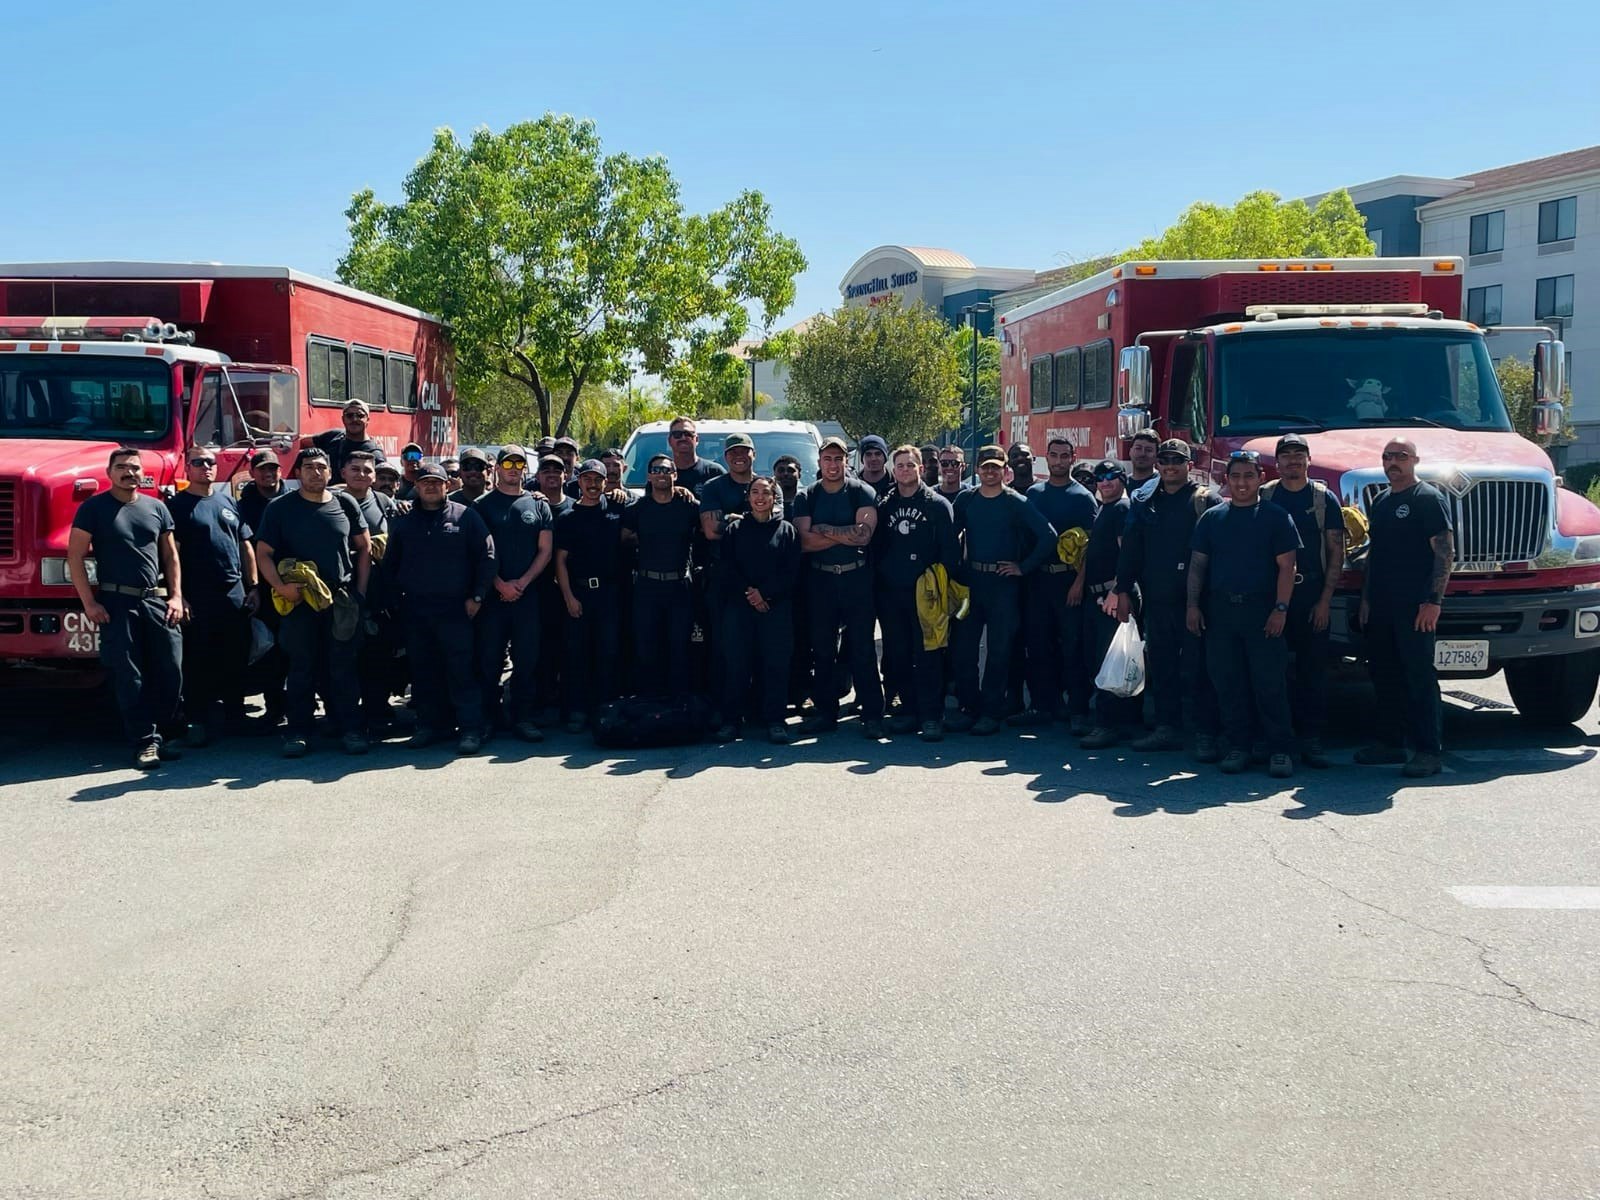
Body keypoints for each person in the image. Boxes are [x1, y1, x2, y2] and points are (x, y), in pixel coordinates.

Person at [67, 447, 185, 769]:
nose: (128, 473)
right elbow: (75, 556)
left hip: (154, 600)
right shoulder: (93, 509)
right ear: (110, 473)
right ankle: (145, 742)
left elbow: (171, 557)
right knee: (129, 676)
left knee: (170, 669)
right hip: (115, 603)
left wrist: (175, 596)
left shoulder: (157, 508)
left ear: (141, 473)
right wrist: (89, 603)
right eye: (121, 467)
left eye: (134, 468)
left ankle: (166, 733)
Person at [1186, 450, 1301, 778]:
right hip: (1221, 612)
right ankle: (1239, 747)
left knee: (1269, 683)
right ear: (1227, 479)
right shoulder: (1212, 518)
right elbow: (1198, 566)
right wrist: (1193, 606)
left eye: (1249, 476)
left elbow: (1287, 567)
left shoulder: (1277, 517)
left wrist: (1281, 609)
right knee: (1228, 683)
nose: (1241, 482)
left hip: (1262, 611)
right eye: (1235, 476)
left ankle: (1280, 749)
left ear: (1260, 479)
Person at [255, 447, 372, 759]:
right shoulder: (280, 508)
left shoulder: (345, 503)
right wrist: (280, 586)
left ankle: (350, 728)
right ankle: (297, 732)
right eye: (309, 467)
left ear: (330, 473)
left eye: (321, 467)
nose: (316, 472)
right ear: (297, 473)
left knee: (343, 668)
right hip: (300, 602)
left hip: (341, 602)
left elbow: (364, 547)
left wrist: (359, 593)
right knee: (301, 668)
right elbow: (263, 553)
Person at [1112, 438, 1223, 760]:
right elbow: (1131, 550)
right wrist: (1123, 591)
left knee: (1199, 669)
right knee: (1161, 667)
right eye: (1165, 460)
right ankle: (1166, 728)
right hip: (1157, 599)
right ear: (1158, 465)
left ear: (1190, 465)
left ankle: (1205, 734)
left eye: (1178, 460)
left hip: (1198, 602)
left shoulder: (1206, 501)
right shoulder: (1146, 501)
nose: (1171, 466)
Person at [384, 459, 497, 754]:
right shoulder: (405, 523)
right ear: (417, 487)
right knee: (423, 671)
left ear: (448, 485)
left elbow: (487, 558)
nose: (431, 487)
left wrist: (477, 597)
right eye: (425, 483)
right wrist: (395, 605)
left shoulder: (466, 517)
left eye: (437, 482)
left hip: (456, 610)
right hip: (417, 610)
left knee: (461, 670)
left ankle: (470, 729)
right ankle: (430, 726)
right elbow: (391, 566)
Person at [1355, 438, 1453, 778]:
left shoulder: (1427, 499)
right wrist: (1367, 600)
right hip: (1381, 605)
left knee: (1419, 677)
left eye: (1401, 456)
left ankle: (1428, 750)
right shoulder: (1381, 501)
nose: (1393, 462)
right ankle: (1390, 742)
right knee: (1385, 675)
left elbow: (1444, 553)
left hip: (1416, 607)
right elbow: (1375, 555)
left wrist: (1433, 601)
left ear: (1415, 460)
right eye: (1388, 456)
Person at [949, 447, 1055, 734]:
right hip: (972, 583)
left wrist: (1024, 566)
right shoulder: (966, 499)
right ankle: (968, 707)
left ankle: (991, 712)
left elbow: (1048, 536)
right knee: (964, 650)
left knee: (999, 651)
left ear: (1004, 470)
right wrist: (954, 571)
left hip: (1003, 585)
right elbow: (949, 537)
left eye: (996, 467)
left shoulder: (1016, 502)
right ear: (977, 470)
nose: (990, 472)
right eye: (985, 467)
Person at [1263, 433, 1345, 768]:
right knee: (1272, 671)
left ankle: (1311, 739)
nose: (1293, 461)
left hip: (1312, 595)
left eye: (1300, 455)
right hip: (1272, 598)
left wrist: (1325, 601)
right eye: (1286, 456)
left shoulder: (1324, 500)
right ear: (1277, 462)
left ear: (1308, 460)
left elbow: (1335, 553)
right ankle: (1276, 740)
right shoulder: (1266, 496)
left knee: (1313, 672)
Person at [166, 447, 258, 746]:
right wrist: (178, 595)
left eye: (210, 462)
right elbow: (172, 555)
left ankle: (235, 717)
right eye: (198, 462)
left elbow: (245, 545)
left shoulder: (228, 501)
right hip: (198, 596)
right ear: (187, 469)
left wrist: (253, 586)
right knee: (198, 661)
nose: (205, 467)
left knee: (235, 658)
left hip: (234, 595)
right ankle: (197, 721)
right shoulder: (177, 507)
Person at [794, 436, 883, 737]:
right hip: (820, 580)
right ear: (819, 462)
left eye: (838, 458)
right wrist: (844, 533)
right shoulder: (807, 496)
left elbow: (864, 536)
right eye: (827, 459)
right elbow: (804, 542)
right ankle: (825, 712)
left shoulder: (862, 492)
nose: (833, 464)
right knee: (822, 650)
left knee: (863, 649)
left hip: (856, 578)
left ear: (847, 461)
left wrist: (825, 531)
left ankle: (872, 714)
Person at [874, 445, 959, 741]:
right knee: (897, 654)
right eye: (900, 466)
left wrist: (943, 591)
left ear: (921, 469)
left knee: (928, 656)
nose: (905, 470)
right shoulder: (885, 505)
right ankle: (909, 711)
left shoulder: (937, 505)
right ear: (893, 470)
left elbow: (950, 553)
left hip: (928, 595)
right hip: (892, 594)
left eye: (911, 465)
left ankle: (932, 716)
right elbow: (876, 549)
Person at [1016, 436, 1097, 730]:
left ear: (1073, 458)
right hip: (1038, 580)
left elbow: (1091, 546)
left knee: (1072, 647)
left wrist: (1079, 583)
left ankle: (1077, 710)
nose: (1059, 461)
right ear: (1045, 458)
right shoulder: (1034, 494)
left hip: (1069, 581)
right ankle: (1041, 706)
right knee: (1037, 646)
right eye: (1054, 455)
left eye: (1065, 456)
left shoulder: (1082, 497)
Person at [475, 445, 554, 742]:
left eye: (518, 462)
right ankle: (487, 720)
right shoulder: (482, 506)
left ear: (525, 468)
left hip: (527, 597)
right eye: (507, 462)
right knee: (489, 661)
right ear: (496, 467)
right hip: (493, 598)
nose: (512, 467)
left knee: (527, 660)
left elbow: (545, 551)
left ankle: (523, 718)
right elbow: (477, 552)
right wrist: (500, 584)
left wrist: (521, 583)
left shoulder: (538, 505)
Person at [716, 475, 802, 744]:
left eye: (766, 492)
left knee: (775, 665)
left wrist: (766, 594)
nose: (760, 497)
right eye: (755, 492)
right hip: (740, 608)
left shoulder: (787, 530)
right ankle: (732, 721)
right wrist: (751, 595)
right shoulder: (735, 529)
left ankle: (775, 720)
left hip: (776, 609)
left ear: (774, 497)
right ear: (748, 497)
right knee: (737, 665)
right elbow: (727, 567)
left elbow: (792, 572)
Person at [554, 459, 627, 731]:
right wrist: (569, 597)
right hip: (580, 593)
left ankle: (606, 709)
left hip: (610, 593)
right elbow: (560, 561)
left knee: (609, 653)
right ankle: (577, 711)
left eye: (598, 479)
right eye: (588, 479)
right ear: (579, 482)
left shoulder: (617, 510)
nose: (593, 484)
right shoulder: (568, 518)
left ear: (605, 481)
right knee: (577, 654)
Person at [622, 454, 700, 698]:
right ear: (648, 476)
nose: (661, 474)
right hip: (647, 585)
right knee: (647, 646)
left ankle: (679, 705)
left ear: (675, 475)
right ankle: (649, 703)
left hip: (679, 585)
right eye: (656, 470)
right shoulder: (637, 508)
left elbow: (705, 532)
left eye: (667, 470)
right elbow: (624, 538)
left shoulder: (689, 506)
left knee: (680, 646)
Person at [341, 451, 403, 737]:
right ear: (342, 472)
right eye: (355, 469)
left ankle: (377, 713)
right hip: (341, 593)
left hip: (378, 596)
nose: (361, 475)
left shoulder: (385, 503)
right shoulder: (333, 501)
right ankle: (345, 718)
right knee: (344, 661)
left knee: (379, 659)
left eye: (367, 470)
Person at [1079, 461, 1140, 748]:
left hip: (1113, 595)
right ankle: (1124, 722)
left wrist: (1119, 590)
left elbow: (1127, 554)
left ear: (1122, 479)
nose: (1104, 482)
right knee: (1108, 657)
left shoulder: (1122, 509)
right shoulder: (1105, 507)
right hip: (1099, 595)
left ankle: (1108, 725)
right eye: (1099, 478)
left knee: (1110, 661)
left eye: (1111, 477)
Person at [237, 448, 289, 727]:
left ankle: (302, 706)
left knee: (301, 647)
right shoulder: (242, 505)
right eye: (262, 469)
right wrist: (253, 586)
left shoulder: (293, 500)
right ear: (253, 473)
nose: (269, 474)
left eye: (274, 469)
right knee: (271, 650)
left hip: (294, 584)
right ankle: (274, 707)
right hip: (264, 589)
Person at [531, 454, 575, 722]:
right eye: (545, 470)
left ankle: (567, 702)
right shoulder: (531, 504)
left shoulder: (575, 507)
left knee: (569, 647)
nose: (551, 475)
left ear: (565, 476)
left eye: (557, 470)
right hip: (540, 588)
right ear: (537, 477)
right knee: (541, 648)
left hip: (571, 589)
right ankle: (541, 701)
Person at [312, 399, 386, 475]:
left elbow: (380, 483)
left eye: (360, 416)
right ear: (343, 419)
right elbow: (303, 443)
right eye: (349, 415)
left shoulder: (375, 454)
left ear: (367, 420)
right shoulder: (332, 436)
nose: (354, 419)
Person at [665, 416, 726, 497]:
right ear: (669, 441)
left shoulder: (715, 472)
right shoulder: (660, 475)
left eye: (688, 434)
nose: (683, 438)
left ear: (696, 440)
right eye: (677, 434)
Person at [1127, 429, 1159, 499]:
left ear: (1157, 455)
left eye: (1149, 450)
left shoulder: (1162, 483)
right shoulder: (1121, 485)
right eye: (1138, 448)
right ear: (1130, 452)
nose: (1142, 454)